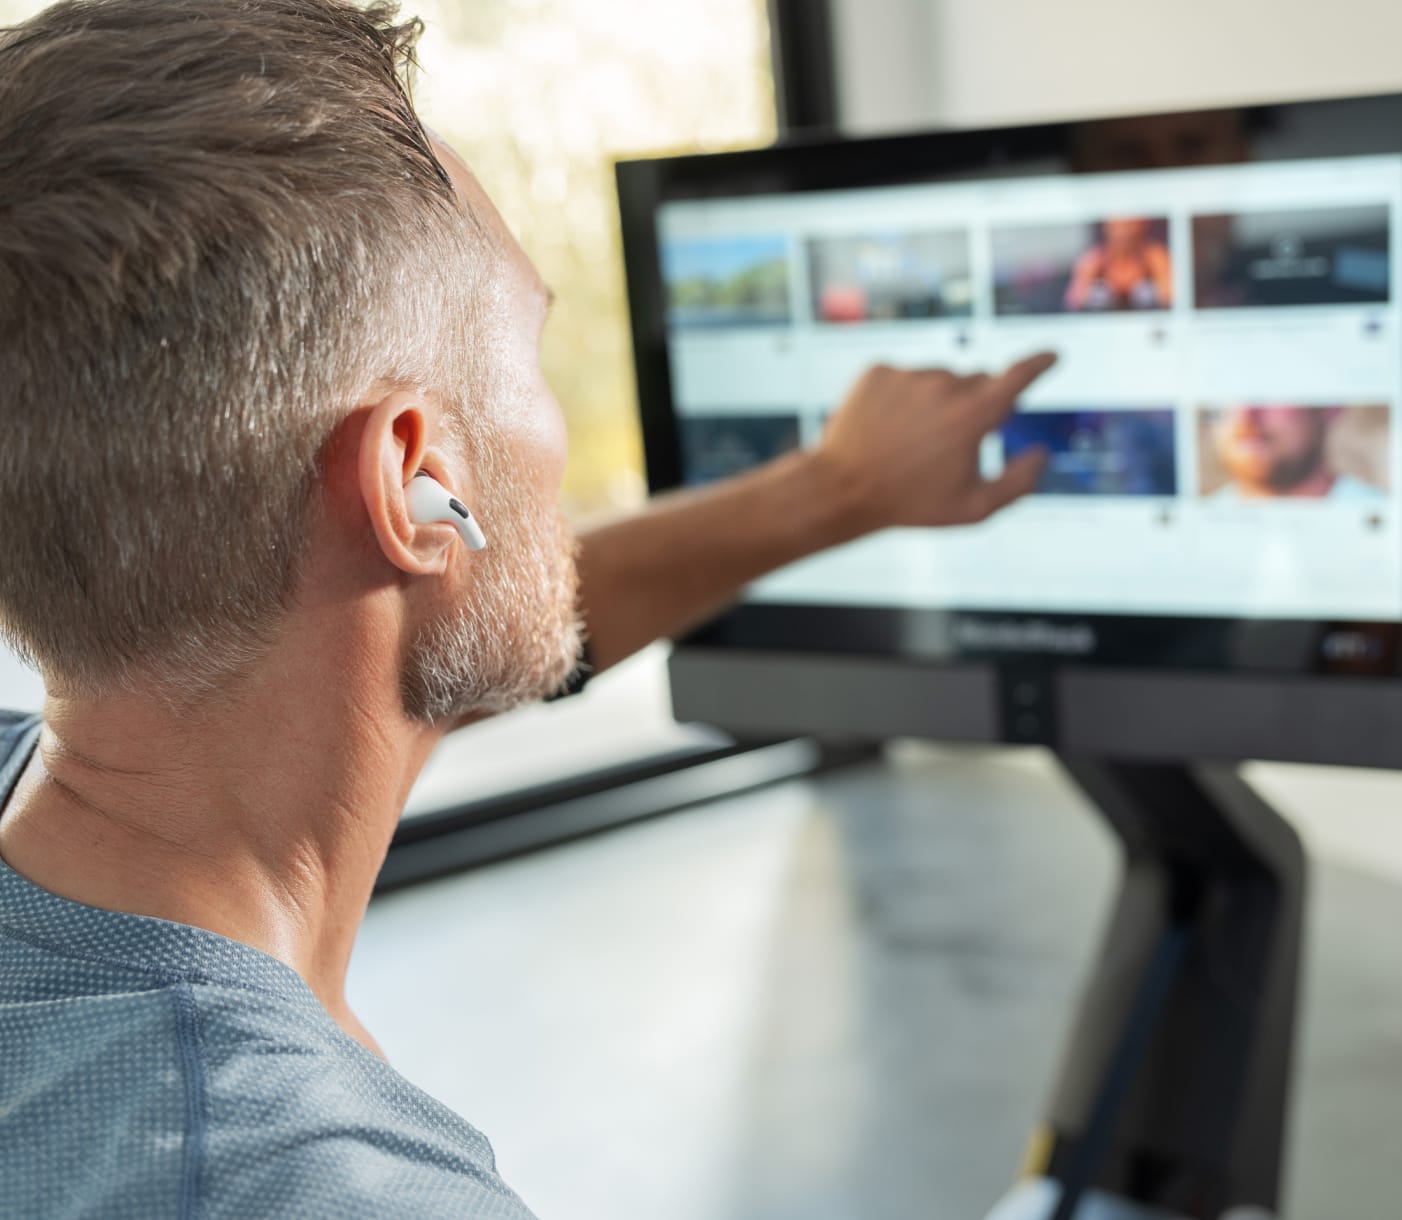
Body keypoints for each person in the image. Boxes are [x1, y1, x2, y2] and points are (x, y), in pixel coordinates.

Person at [0, 1, 1056, 1216]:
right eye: (529, 356)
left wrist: (840, 489)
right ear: (414, 477)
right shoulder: (319, 1187)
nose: (553, 427)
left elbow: (376, 633)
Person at [1207, 405, 1384, 500]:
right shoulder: (1193, 535)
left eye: (1273, 386)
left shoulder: (1390, 525)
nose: (1244, 413)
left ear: (1331, 406)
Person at [1062, 216, 1172, 311]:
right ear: (1107, 226)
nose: (1123, 232)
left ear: (1142, 224)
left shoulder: (1156, 257)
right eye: (1118, 225)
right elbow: (1073, 303)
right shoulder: (1093, 260)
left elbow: (1172, 299)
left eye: (1129, 225)